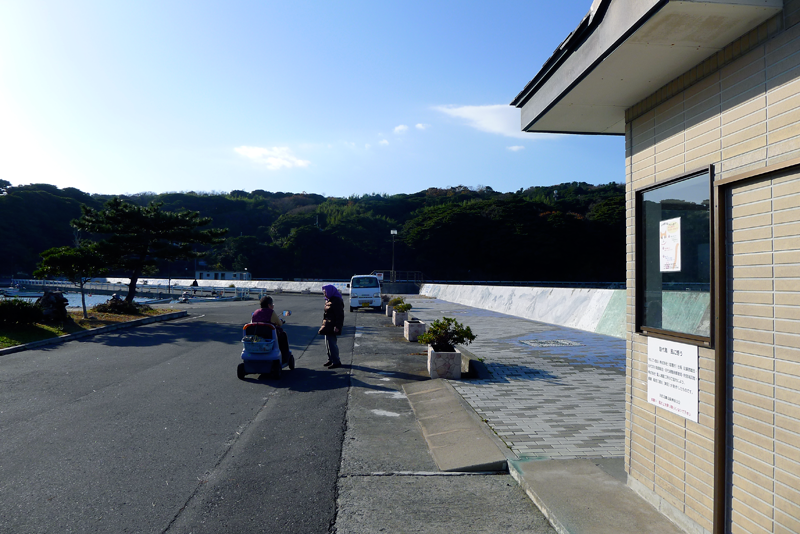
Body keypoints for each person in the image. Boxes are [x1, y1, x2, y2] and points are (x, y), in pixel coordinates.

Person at [252, 296, 292, 362]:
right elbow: (279, 323)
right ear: (269, 305)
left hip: (257, 336)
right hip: (269, 336)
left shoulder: (256, 312)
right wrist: (281, 321)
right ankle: (285, 356)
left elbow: (251, 323)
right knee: (283, 335)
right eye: (272, 304)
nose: (273, 306)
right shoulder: (271, 312)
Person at [319, 284, 344, 368]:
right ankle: (330, 359)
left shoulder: (336, 301)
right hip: (327, 324)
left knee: (332, 343)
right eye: (323, 292)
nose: (324, 293)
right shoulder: (328, 300)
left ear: (330, 291)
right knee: (328, 343)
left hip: (333, 325)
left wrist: (338, 326)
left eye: (325, 292)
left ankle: (336, 361)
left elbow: (340, 315)